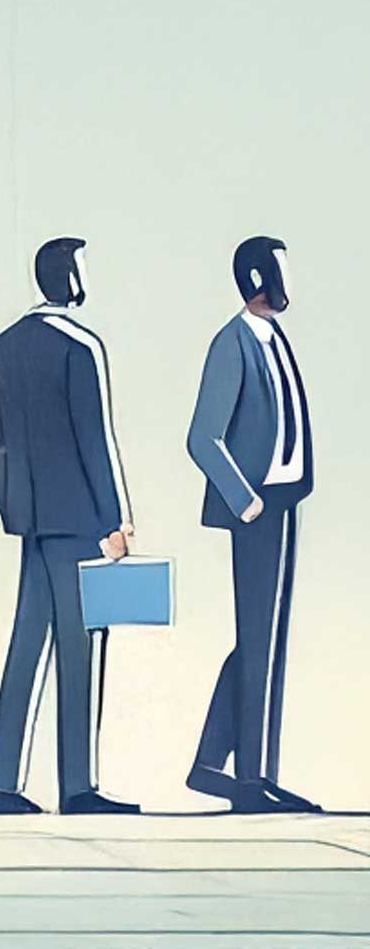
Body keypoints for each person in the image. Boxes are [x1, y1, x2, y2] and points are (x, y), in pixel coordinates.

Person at [0, 236, 134, 815]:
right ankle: (78, 786)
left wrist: (14, 505)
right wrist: (115, 516)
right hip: (81, 523)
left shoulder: (3, 346)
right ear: (69, 276)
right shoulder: (80, 346)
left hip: (34, 523)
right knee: (82, 648)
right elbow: (97, 438)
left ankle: (4, 782)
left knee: (26, 647)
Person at [184, 234, 313, 812]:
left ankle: (220, 765)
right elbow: (202, 437)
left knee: (265, 642)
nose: (287, 283)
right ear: (258, 279)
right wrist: (246, 501)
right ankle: (250, 779)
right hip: (257, 511)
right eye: (279, 271)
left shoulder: (274, 338)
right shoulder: (232, 342)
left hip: (285, 503)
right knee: (259, 642)